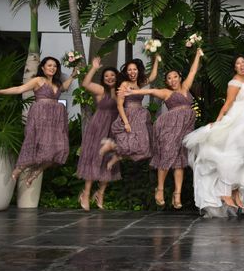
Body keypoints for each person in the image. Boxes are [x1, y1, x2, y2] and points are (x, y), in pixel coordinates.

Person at [184, 55, 244, 216]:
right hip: (239, 120)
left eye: (243, 62)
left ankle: (236, 191)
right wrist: (218, 122)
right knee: (234, 156)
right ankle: (224, 191)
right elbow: (227, 104)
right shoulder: (234, 83)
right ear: (235, 67)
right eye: (238, 63)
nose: (242, 65)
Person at [125, 48, 203, 210]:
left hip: (185, 130)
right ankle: (159, 190)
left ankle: (177, 195)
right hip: (169, 129)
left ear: (180, 78)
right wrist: (133, 91)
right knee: (166, 156)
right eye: (169, 78)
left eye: (175, 77)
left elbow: (193, 71)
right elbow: (151, 90)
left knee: (180, 162)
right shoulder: (166, 92)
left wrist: (197, 55)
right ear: (167, 82)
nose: (173, 80)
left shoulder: (186, 88)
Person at [0, 56, 76, 186]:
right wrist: (0, 91)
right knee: (36, 145)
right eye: (49, 65)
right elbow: (19, 89)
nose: (52, 68)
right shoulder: (38, 80)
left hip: (55, 119)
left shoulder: (57, 83)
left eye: (55, 66)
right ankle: (19, 169)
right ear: (43, 68)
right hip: (40, 116)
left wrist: (73, 75)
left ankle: (36, 172)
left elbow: (64, 88)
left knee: (59, 149)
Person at [99, 55, 160, 169]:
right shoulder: (124, 84)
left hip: (140, 116)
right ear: (127, 72)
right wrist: (126, 122)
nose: (132, 72)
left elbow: (152, 77)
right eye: (129, 70)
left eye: (134, 69)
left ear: (138, 71)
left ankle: (117, 155)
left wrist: (156, 60)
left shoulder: (139, 84)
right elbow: (119, 105)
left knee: (142, 144)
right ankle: (113, 151)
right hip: (128, 115)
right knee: (128, 144)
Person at [76, 57, 121, 211]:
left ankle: (100, 193)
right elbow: (85, 84)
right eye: (106, 76)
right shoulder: (101, 90)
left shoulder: (121, 91)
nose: (109, 78)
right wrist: (94, 68)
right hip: (98, 127)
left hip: (114, 128)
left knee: (109, 161)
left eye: (112, 76)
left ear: (117, 77)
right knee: (94, 159)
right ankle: (86, 194)